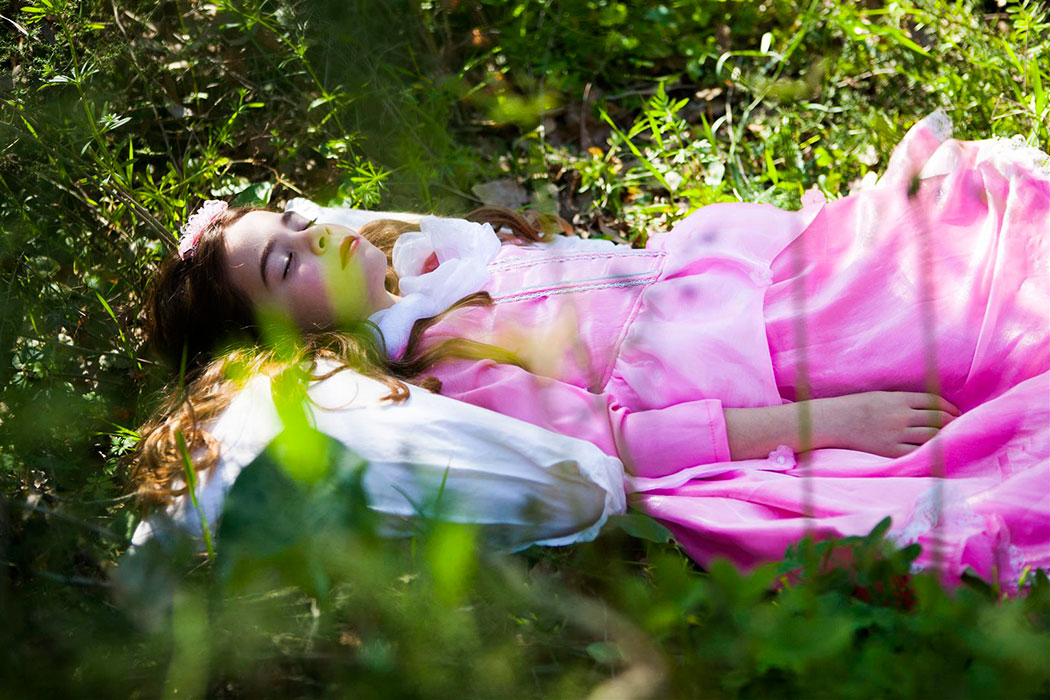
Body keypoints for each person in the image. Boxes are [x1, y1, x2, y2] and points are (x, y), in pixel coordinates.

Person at [136, 111, 1049, 587]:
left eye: (297, 221)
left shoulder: (435, 275)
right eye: (288, 261)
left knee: (967, 260)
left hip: (753, 291)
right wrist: (827, 422)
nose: (322, 234)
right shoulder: (442, 369)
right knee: (983, 352)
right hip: (759, 365)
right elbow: (620, 443)